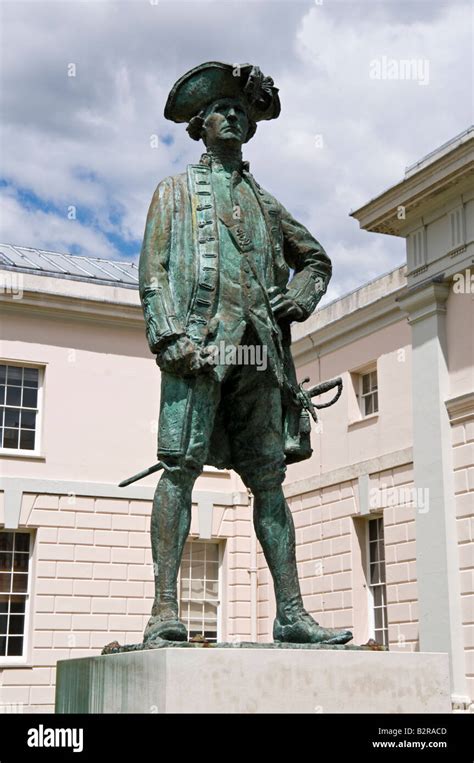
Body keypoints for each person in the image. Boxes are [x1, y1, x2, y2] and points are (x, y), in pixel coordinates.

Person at [139, 62, 352, 646]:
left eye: (241, 111)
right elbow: (154, 274)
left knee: (269, 482)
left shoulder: (266, 204)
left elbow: (317, 260)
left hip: (261, 356)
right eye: (220, 110)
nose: (231, 116)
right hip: (198, 351)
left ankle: (290, 612)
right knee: (179, 470)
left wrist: (296, 301)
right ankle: (164, 608)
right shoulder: (175, 193)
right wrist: (169, 338)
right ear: (200, 125)